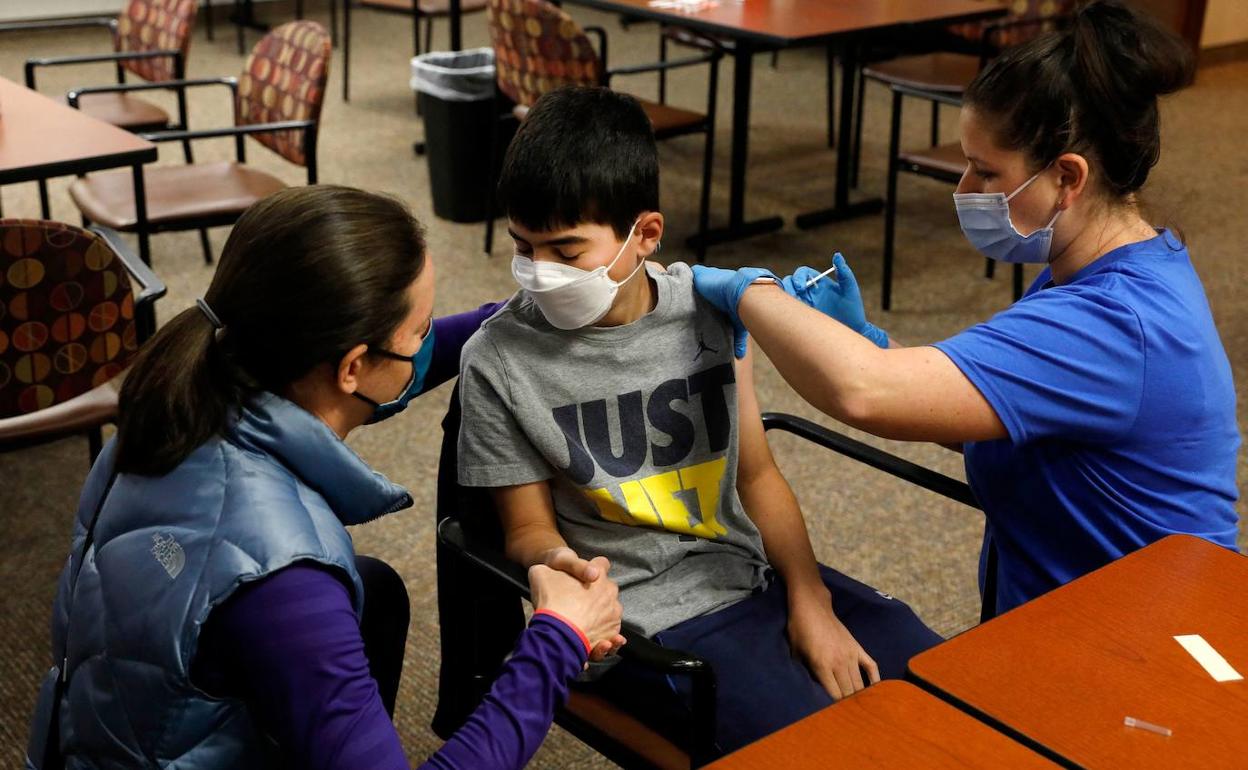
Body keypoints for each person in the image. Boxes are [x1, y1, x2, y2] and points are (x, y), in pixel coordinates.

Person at [25, 186, 626, 770]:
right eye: (419, 331)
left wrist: (513, 317)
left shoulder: (190, 388)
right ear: (352, 367)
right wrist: (557, 640)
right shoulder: (284, 579)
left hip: (95, 733)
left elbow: (398, 366)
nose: (426, 342)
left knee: (374, 590)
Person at [692, 0, 1240, 619]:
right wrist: (863, 336)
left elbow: (864, 394)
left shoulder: (1115, 323)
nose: (963, 192)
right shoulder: (1099, 268)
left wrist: (747, 292)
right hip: (1082, 620)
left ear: (1068, 176)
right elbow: (994, 405)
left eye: (984, 172)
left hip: (1143, 639)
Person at [455, 86, 940, 758]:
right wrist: (558, 563)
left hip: (749, 577)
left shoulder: (706, 309)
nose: (537, 274)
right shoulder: (498, 359)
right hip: (645, 624)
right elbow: (527, 529)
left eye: (565, 252)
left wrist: (811, 600)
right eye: (522, 246)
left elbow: (757, 473)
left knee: (939, 680)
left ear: (646, 234)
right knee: (824, 746)